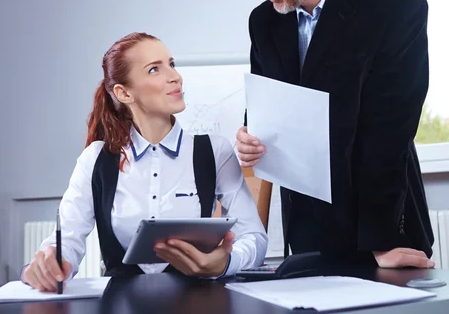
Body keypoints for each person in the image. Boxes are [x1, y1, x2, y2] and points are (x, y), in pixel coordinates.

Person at [234, 0, 434, 269]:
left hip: (381, 227)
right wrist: (250, 138)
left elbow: (389, 134)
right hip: (307, 230)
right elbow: (266, 109)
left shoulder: (394, 4)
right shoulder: (263, 22)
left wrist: (383, 241)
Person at [22, 32, 267, 292]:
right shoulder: (96, 159)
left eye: (171, 64)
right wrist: (52, 262)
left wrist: (225, 263)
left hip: (198, 303)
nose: (175, 77)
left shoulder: (215, 151)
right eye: (154, 69)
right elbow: (68, 242)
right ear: (124, 93)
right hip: (120, 304)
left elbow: (254, 238)